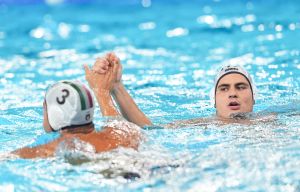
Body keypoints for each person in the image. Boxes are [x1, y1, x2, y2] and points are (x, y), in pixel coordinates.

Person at [92, 52, 260, 128]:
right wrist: (116, 87)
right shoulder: (203, 125)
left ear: (254, 97)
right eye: (224, 89)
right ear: (214, 101)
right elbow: (149, 129)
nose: (232, 93)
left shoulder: (275, 119)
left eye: (241, 87)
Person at [13, 60, 141, 159]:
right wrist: (102, 90)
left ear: (55, 114)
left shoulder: (50, 149)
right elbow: (114, 120)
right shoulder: (125, 132)